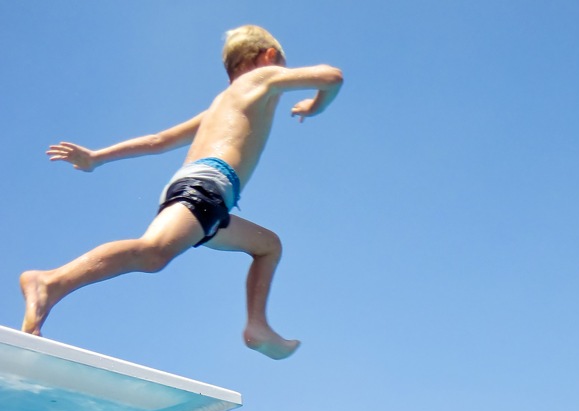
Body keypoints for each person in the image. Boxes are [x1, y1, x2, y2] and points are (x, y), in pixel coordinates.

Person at [20, 24, 343, 362]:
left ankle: (258, 326)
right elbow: (332, 77)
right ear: (269, 57)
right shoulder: (257, 81)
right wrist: (315, 106)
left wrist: (97, 157)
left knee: (268, 246)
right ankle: (50, 282)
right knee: (153, 252)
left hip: (209, 197)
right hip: (206, 187)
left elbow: (159, 141)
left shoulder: (221, 105)